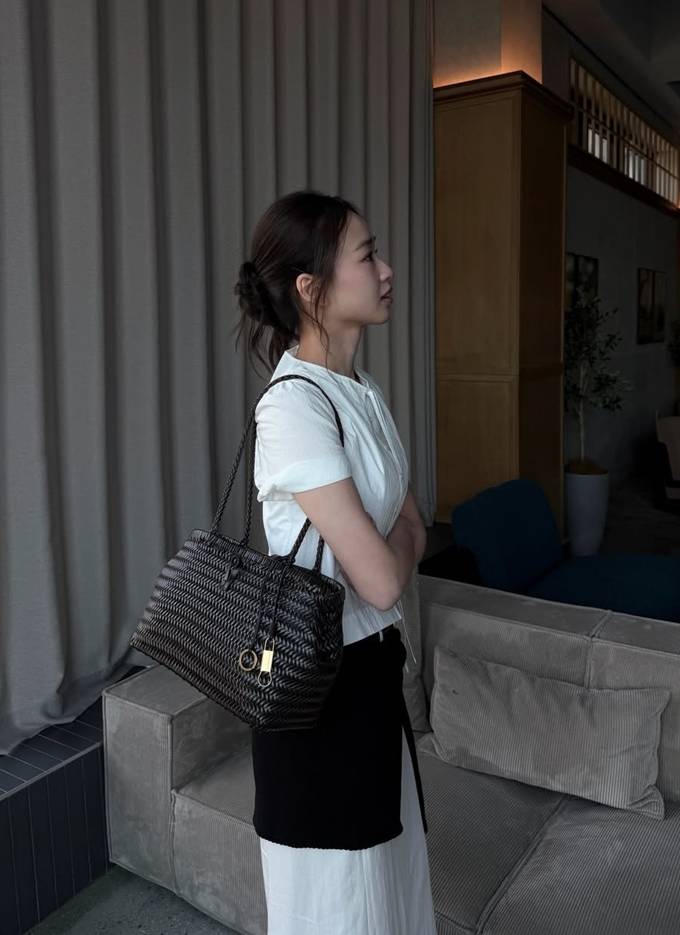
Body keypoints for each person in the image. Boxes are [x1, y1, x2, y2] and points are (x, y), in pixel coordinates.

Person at [231, 189, 437, 934]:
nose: (386, 270)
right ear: (311, 288)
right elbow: (382, 575)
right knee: (340, 908)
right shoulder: (293, 407)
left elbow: (415, 527)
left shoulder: (360, 390)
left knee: (390, 892)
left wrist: (399, 543)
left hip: (371, 680)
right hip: (317, 696)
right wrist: (400, 543)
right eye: (367, 255)